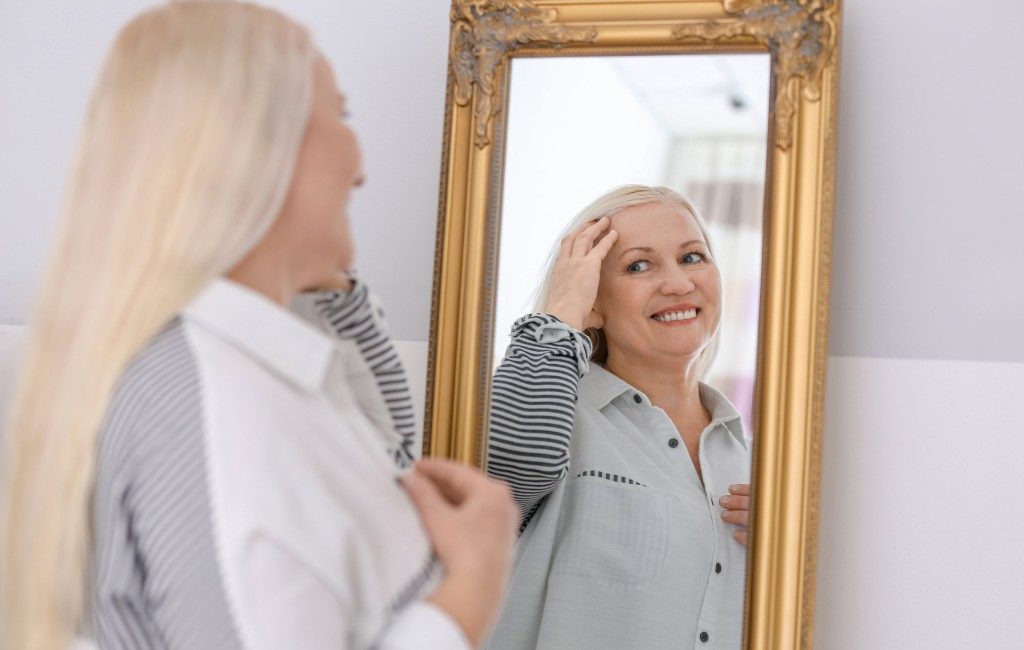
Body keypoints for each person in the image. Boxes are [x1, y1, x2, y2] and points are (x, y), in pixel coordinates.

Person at [0, 3, 516, 649]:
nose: (360, 166)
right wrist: (468, 592)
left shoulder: (257, 375)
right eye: (342, 115)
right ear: (257, 148)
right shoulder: (215, 409)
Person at [485, 185, 753, 649]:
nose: (678, 283)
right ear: (593, 301)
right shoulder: (557, 416)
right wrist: (561, 313)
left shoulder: (754, 463)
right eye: (638, 265)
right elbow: (509, 468)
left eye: (692, 257)